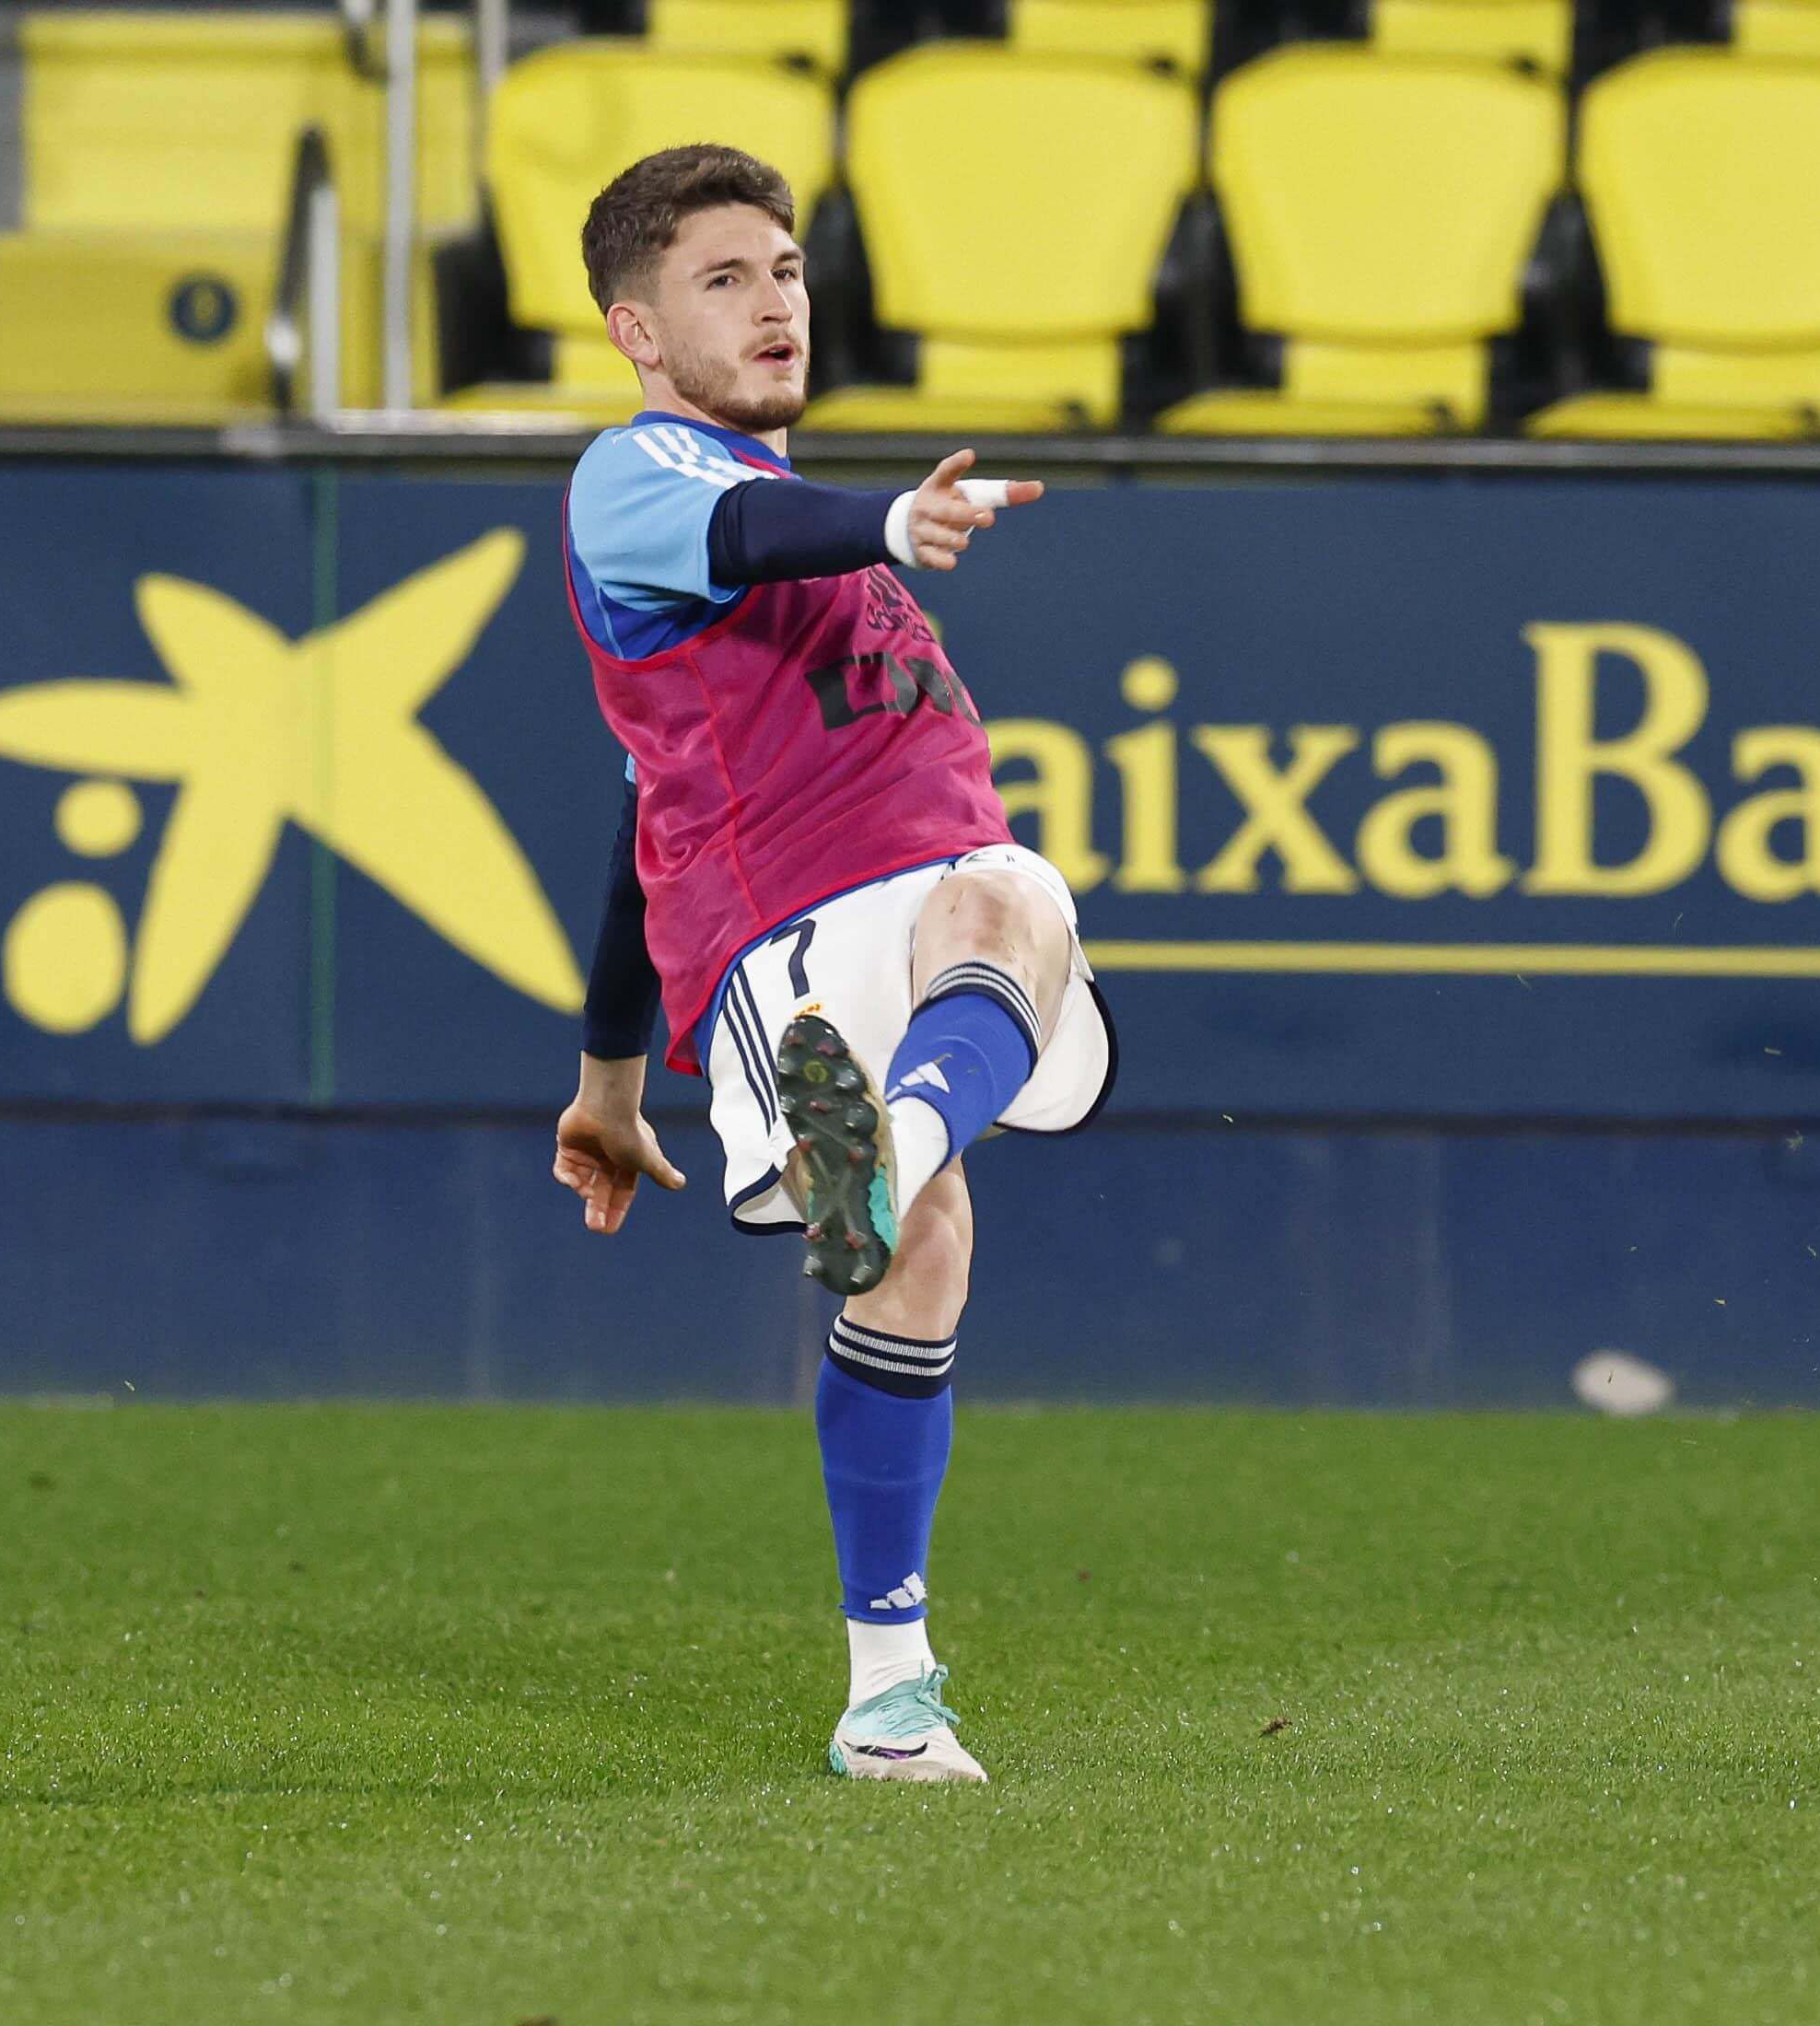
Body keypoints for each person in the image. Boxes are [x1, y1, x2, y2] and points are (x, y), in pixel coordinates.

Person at [544, 144, 1114, 1785]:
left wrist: (602, 1077)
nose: (774, 302)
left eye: (784, 269)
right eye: (721, 280)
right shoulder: (634, 472)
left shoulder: (799, 528)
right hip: (800, 924)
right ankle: (875, 1151)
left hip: (861, 939)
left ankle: (887, 1696)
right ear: (638, 332)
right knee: (1017, 898)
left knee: (921, 1250)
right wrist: (885, 515)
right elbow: (754, 527)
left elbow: (640, 811)